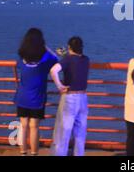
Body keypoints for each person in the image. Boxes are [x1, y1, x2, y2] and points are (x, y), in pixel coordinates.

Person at [14, 28, 58, 156]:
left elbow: (19, 64)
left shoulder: (22, 61)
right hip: (37, 99)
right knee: (34, 127)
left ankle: (23, 153)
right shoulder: (44, 62)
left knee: (23, 126)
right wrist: (45, 47)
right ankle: (34, 153)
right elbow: (56, 58)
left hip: (22, 97)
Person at [50, 36, 89, 156]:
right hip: (83, 98)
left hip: (70, 97)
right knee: (80, 134)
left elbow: (53, 70)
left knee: (63, 133)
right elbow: (75, 61)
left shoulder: (67, 59)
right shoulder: (86, 59)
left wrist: (60, 86)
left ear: (69, 47)